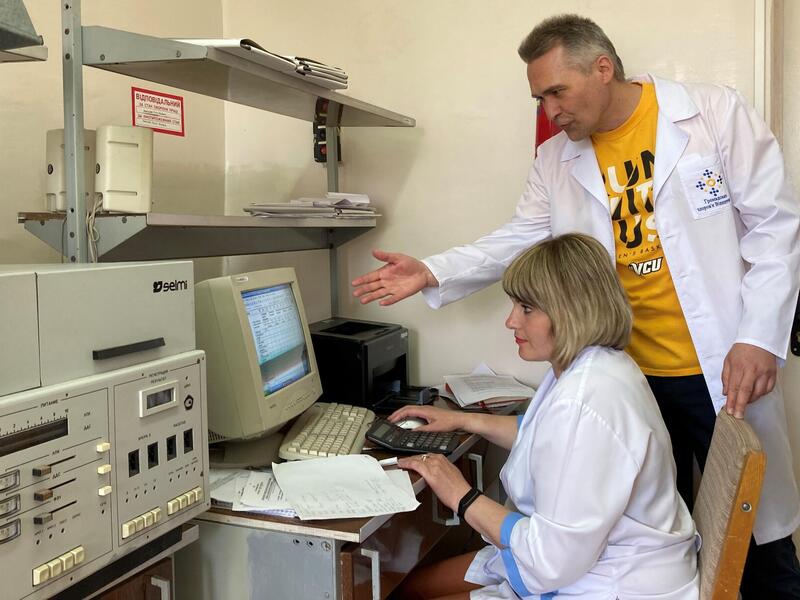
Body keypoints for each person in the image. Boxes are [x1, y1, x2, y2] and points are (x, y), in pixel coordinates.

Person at [352, 15, 800, 595]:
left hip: (721, 361)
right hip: (631, 366)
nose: (550, 110)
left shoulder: (712, 113)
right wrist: (433, 269)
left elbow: (775, 225)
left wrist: (759, 336)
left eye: (557, 91)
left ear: (603, 68)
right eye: (540, 97)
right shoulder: (556, 160)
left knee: (754, 534)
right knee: (664, 524)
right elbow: (517, 239)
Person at [391, 233, 698, 600]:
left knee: (400, 592)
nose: (510, 321)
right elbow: (545, 435)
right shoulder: (595, 364)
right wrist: (466, 421)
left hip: (603, 581)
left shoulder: (586, 400)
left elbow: (551, 561)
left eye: (526, 308)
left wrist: (460, 494)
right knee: (407, 587)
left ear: (570, 310)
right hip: (583, 558)